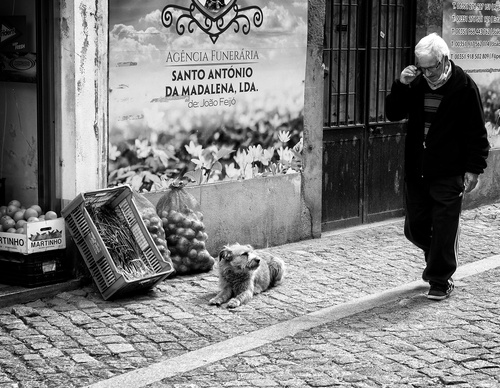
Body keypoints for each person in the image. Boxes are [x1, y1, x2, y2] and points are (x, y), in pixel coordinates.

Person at [385, 33, 490, 301]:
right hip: (418, 170)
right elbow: (393, 113)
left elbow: (477, 133)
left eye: (431, 67)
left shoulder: (464, 87)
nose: (427, 73)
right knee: (415, 228)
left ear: (444, 60)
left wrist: (474, 168)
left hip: (449, 170)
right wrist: (401, 84)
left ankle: (440, 280)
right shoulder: (417, 83)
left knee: (444, 226)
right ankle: (438, 259)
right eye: (422, 67)